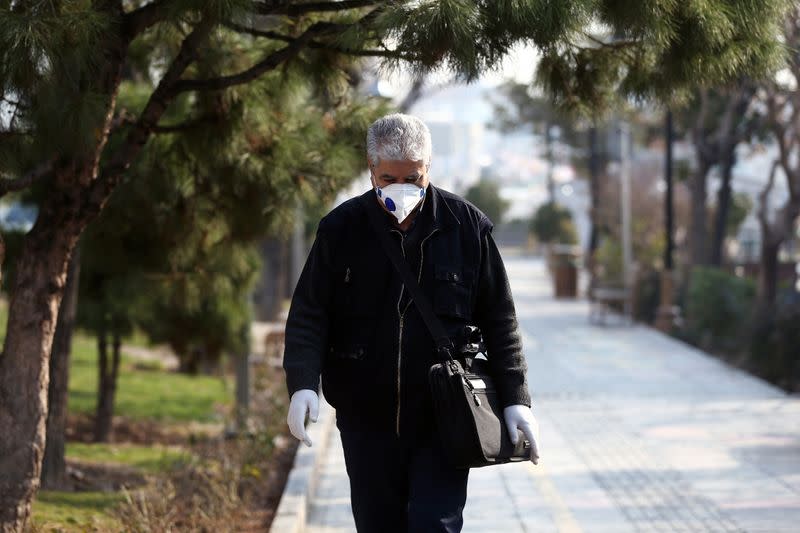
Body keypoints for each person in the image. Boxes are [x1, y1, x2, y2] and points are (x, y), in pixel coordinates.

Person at [282, 113, 540, 533]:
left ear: (429, 169)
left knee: (433, 525)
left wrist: (516, 399)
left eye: (414, 178)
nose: (401, 189)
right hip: (366, 418)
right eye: (389, 178)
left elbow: (500, 318)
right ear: (371, 171)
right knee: (378, 524)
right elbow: (310, 314)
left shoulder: (467, 227)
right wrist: (302, 384)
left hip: (444, 417)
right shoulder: (340, 230)